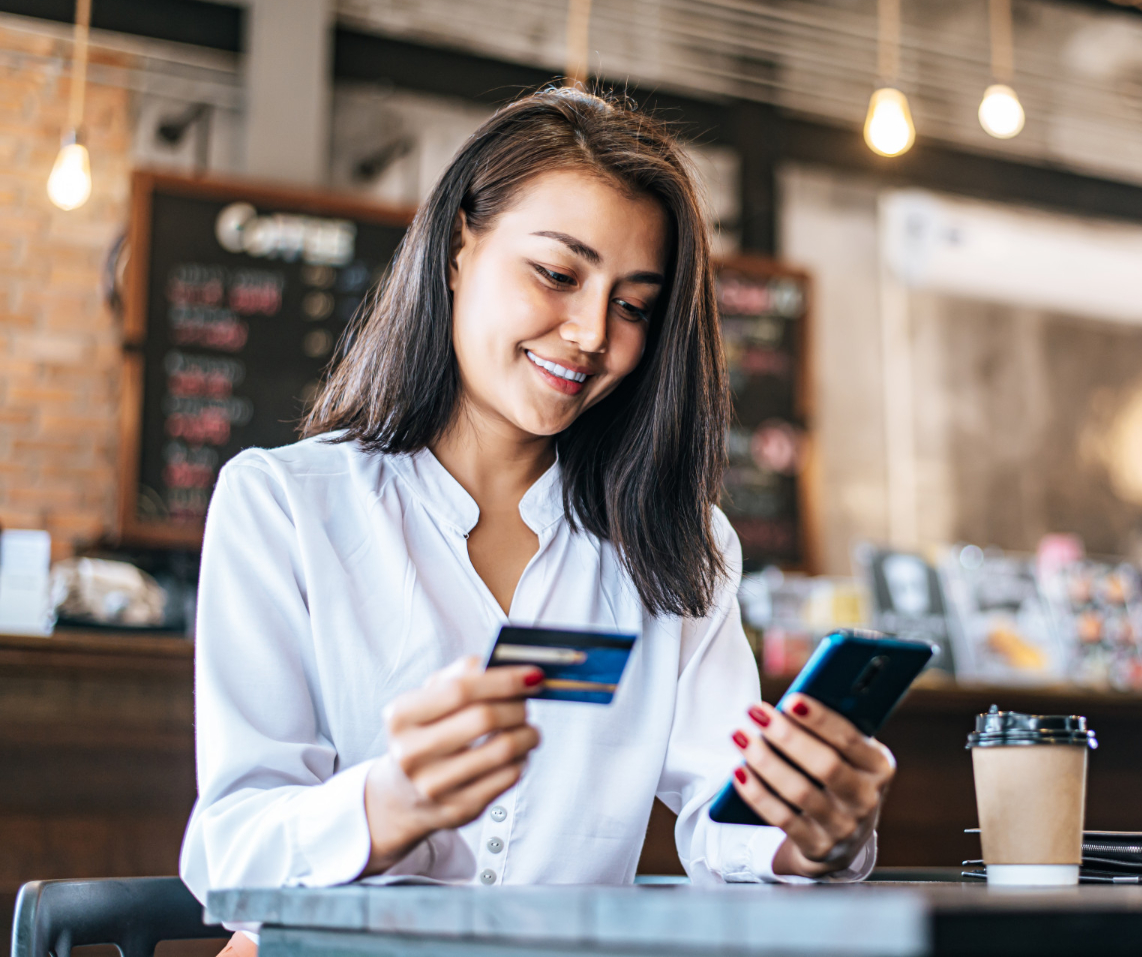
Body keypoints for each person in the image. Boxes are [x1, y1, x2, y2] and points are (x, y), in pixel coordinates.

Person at [182, 88, 894, 956]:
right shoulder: (286, 506)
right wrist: (388, 803)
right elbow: (228, 850)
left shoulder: (677, 546)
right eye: (557, 274)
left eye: (633, 305)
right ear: (456, 248)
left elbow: (723, 815)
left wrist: (811, 833)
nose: (592, 333)